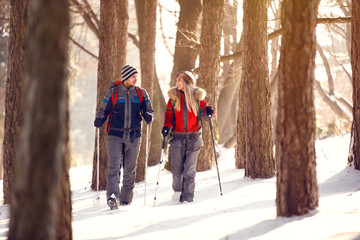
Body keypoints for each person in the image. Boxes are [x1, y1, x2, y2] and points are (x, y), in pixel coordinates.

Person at [94, 64, 154, 210]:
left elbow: (149, 109)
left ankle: (126, 200)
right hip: (115, 135)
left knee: (130, 169)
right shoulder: (113, 92)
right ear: (126, 77)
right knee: (114, 166)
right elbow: (103, 109)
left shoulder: (141, 93)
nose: (136, 79)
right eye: (133, 76)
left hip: (134, 136)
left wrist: (148, 115)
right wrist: (100, 118)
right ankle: (113, 197)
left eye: (136, 77)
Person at [162, 71, 214, 203]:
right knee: (176, 170)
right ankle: (177, 192)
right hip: (177, 139)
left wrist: (209, 112)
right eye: (176, 80)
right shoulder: (173, 99)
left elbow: (207, 115)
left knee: (189, 170)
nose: (177, 82)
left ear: (186, 82)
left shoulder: (197, 99)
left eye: (179, 80)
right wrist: (166, 127)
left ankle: (188, 198)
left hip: (194, 138)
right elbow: (168, 117)